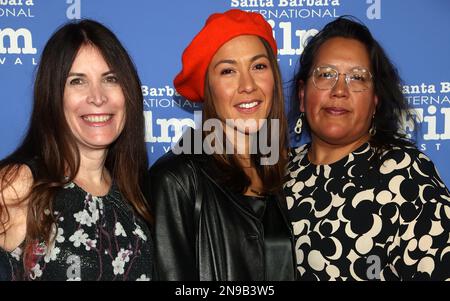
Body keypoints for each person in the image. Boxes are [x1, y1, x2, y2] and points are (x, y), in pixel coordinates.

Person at [285, 16, 450, 280]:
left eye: (357, 78)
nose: (340, 90)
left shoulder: (406, 176)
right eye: (326, 74)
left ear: (375, 101)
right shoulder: (276, 173)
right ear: (303, 96)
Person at [146, 9, 297, 281]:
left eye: (258, 66)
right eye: (228, 71)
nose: (247, 85)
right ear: (209, 89)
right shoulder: (175, 179)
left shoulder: (284, 171)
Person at [0, 19, 153, 281]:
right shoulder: (19, 184)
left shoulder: (134, 195)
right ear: (53, 95)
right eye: (77, 81)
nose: (97, 96)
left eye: (110, 79)